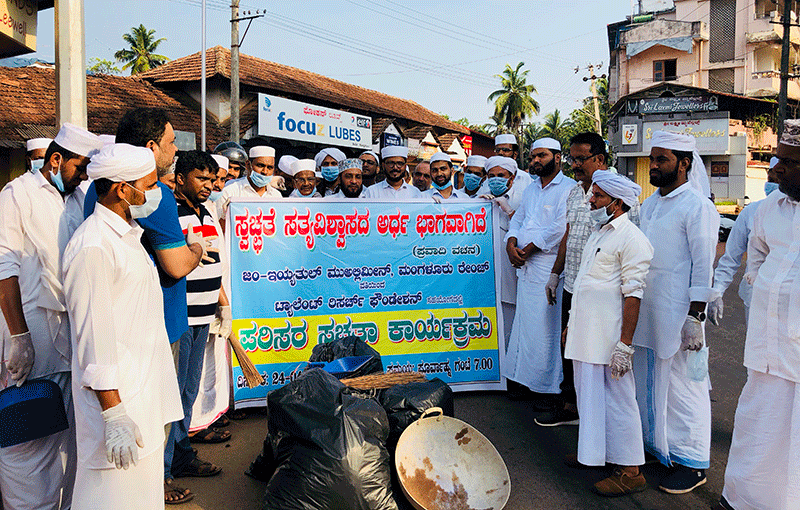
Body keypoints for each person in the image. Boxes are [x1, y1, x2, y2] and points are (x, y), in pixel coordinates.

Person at [83, 107, 211, 504]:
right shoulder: (152, 200)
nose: (176, 151)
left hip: (132, 327)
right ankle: (162, 479)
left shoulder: (99, 193)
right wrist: (196, 248)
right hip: (157, 325)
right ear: (151, 146)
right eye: (172, 142)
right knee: (154, 421)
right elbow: (174, 265)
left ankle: (161, 477)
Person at [63, 143, 183, 510]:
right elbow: (94, 339)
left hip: (144, 399)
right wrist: (114, 414)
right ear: (121, 188)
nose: (156, 193)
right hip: (118, 407)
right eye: (149, 185)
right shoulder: (93, 246)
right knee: (109, 499)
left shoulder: (129, 236)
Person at [0, 123, 102, 510]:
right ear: (56, 160)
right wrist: (18, 336)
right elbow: (3, 267)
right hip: (32, 333)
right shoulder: (18, 195)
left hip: (69, 336)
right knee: (27, 438)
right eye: (81, 167)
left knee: (67, 440)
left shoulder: (76, 199)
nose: (84, 176)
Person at [717, 120, 800, 510]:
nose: (775, 169)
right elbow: (759, 251)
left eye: (788, 161)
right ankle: (743, 499)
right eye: (777, 159)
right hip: (767, 347)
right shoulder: (769, 209)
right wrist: (760, 280)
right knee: (758, 427)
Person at [632, 130, 718, 495]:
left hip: (680, 315)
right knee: (651, 384)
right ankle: (661, 450)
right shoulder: (651, 205)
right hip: (648, 312)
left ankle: (694, 461)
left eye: (661, 159)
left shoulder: (697, 206)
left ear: (684, 163)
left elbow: (703, 266)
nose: (653, 165)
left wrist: (694, 317)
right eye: (652, 158)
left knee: (685, 389)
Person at [563, 171, 653, 496]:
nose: (591, 200)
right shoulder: (598, 233)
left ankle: (630, 471)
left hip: (610, 339)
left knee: (618, 401)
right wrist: (571, 326)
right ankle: (594, 453)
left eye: (598, 196)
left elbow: (633, 295)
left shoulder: (632, 239)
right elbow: (587, 287)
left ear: (617, 203)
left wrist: (625, 346)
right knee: (588, 394)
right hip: (586, 335)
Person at [538, 133, 610, 427]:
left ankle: (599, 412)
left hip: (600, 289)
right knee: (569, 346)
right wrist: (555, 274)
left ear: (600, 160)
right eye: (573, 159)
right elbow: (569, 235)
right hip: (573, 285)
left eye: (581, 159)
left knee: (596, 351)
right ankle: (571, 405)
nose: (575, 164)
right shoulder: (574, 193)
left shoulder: (613, 191)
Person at [503, 149, 575, 401]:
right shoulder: (532, 189)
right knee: (525, 325)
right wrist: (510, 243)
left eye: (541, 156)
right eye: (533, 156)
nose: (535, 161)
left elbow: (561, 227)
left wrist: (529, 248)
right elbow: (518, 219)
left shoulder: (569, 187)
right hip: (525, 266)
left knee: (547, 329)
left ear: (557, 157)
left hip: (548, 265)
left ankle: (548, 388)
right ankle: (525, 380)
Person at [173, 151, 232, 451]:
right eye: (201, 179)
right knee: (175, 388)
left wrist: (221, 304)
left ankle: (183, 450)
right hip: (181, 316)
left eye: (211, 179)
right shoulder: (172, 213)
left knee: (190, 387)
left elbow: (214, 262)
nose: (208, 185)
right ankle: (169, 462)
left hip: (203, 314)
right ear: (181, 179)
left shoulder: (206, 212)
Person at [707, 157, 780, 326]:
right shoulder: (751, 212)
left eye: (778, 178)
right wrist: (717, 291)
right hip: (755, 298)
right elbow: (731, 257)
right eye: (771, 178)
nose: (773, 183)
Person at [477, 156, 531, 372]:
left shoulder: (521, 200)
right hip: (483, 273)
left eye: (502, 176)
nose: (496, 180)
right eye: (492, 176)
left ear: (512, 178)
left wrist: (508, 209)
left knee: (510, 324)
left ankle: (509, 373)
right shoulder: (479, 199)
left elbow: (528, 228)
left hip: (510, 273)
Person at [216, 145, 281, 232]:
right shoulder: (230, 191)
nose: (265, 172)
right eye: (260, 166)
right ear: (248, 165)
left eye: (270, 167)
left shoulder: (276, 196)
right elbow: (219, 227)